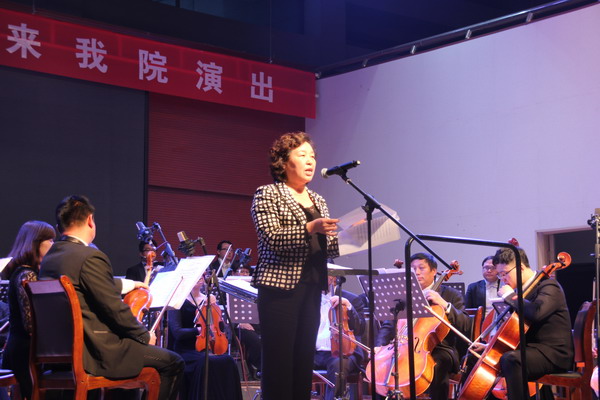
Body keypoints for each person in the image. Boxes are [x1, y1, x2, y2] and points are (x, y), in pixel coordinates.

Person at [39, 195, 184, 400]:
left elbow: (86, 285)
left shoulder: (50, 259)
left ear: (59, 225)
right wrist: (143, 336)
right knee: (173, 363)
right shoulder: (89, 256)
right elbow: (114, 309)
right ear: (90, 220)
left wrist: (130, 284)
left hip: (61, 354)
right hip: (97, 353)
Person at [251, 131, 340, 400]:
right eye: (302, 155)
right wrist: (310, 227)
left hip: (312, 286)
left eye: (312, 156)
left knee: (303, 360)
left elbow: (327, 247)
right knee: (279, 361)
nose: (310, 161)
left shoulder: (318, 199)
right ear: (284, 161)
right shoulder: (268, 193)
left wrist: (348, 237)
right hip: (279, 289)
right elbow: (272, 238)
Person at [374, 252, 471, 400]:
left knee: (437, 364)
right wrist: (379, 346)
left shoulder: (451, 295)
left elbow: (466, 324)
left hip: (440, 348)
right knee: (383, 368)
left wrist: (444, 305)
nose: (417, 272)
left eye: (421, 268)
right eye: (413, 269)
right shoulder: (404, 295)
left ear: (433, 271)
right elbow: (389, 323)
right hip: (403, 346)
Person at [493, 247, 574, 400]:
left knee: (511, 360)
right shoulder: (522, 292)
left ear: (520, 268)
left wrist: (510, 296)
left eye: (504, 273)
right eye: (499, 275)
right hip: (531, 350)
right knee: (478, 359)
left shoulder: (549, 286)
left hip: (553, 353)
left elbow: (537, 313)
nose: (502, 279)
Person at [1, 220, 55, 399]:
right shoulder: (27, 274)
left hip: (20, 347)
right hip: (25, 351)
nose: (53, 245)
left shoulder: (24, 272)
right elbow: (30, 324)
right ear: (36, 243)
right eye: (50, 240)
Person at [167, 276, 243, 400]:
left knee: (228, 360)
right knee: (206, 362)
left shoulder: (208, 299)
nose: (199, 277)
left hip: (208, 347)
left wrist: (214, 308)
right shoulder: (177, 302)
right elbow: (177, 333)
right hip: (186, 350)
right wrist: (199, 330)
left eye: (201, 275)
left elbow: (220, 327)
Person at [314, 276, 366, 400]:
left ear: (335, 277)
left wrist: (348, 306)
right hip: (315, 353)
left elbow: (360, 329)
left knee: (338, 365)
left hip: (344, 353)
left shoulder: (352, 299)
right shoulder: (309, 298)